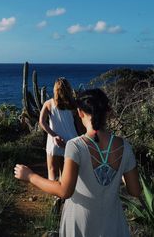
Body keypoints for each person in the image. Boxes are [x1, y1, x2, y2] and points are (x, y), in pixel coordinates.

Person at [14, 88, 141, 237]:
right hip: (113, 223)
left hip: (80, 224)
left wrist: (30, 176)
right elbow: (135, 190)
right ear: (108, 111)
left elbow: (64, 191)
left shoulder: (76, 146)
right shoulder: (124, 146)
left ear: (80, 112)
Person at [39, 77, 83, 181]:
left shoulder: (48, 104)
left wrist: (53, 135)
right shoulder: (74, 104)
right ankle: (66, 194)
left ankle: (56, 195)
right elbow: (79, 125)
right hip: (71, 141)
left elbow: (41, 122)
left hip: (55, 140)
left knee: (52, 169)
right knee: (66, 171)